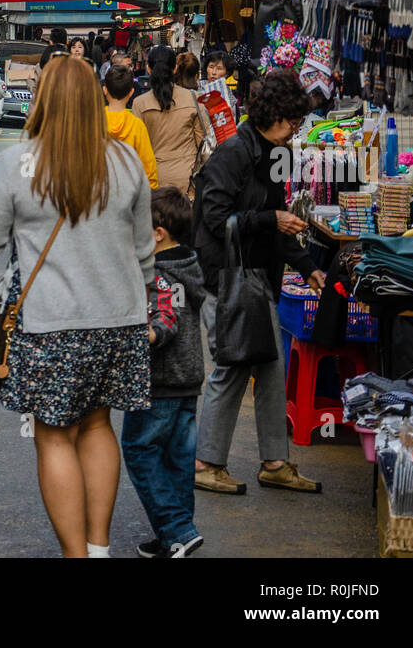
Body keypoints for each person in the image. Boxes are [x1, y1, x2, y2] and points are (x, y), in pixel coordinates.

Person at [0, 55, 155, 559]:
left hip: (51, 324)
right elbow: (144, 251)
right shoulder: (126, 161)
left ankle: (75, 555)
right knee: (98, 424)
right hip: (120, 319)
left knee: (54, 436)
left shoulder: (16, 164)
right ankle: (98, 549)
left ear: (43, 100)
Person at [193, 70, 326, 496]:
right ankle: (205, 462)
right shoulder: (233, 153)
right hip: (227, 278)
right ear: (277, 117)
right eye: (294, 122)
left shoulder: (270, 153)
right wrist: (271, 219)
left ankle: (274, 462)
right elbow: (213, 220)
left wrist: (307, 267)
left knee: (270, 367)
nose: (296, 130)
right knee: (232, 367)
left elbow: (277, 219)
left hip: (256, 277)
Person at [121, 188, 206, 560]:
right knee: (178, 460)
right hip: (186, 379)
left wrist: (144, 335)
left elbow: (166, 318)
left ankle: (177, 528)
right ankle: (174, 535)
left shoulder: (161, 274)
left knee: (139, 449)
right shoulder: (187, 266)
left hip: (160, 380)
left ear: (157, 233)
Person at [133, 47, 205, 199]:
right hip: (188, 178)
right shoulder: (193, 98)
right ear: (175, 68)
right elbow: (203, 143)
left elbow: (138, 148)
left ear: (148, 69)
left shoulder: (139, 104)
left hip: (155, 179)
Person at [103, 63, 158, 189]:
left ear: (104, 90)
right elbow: (148, 169)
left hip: (99, 195)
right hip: (129, 194)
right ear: (131, 92)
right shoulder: (136, 125)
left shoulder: (94, 122)